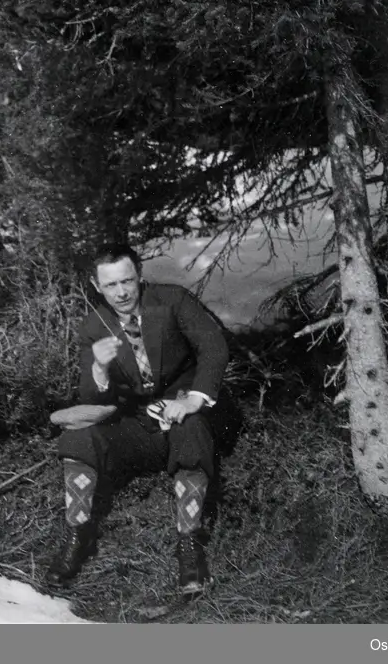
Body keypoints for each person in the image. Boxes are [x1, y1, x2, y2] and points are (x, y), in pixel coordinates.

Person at [45, 246, 229, 596]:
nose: (121, 292)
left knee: (191, 432)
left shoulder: (172, 301)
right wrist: (98, 367)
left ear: (140, 275)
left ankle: (189, 546)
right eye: (111, 285)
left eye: (127, 281)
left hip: (185, 417)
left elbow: (214, 345)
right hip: (137, 428)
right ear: (97, 286)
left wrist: (194, 398)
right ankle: (76, 537)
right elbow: (93, 398)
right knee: (79, 440)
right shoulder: (93, 326)